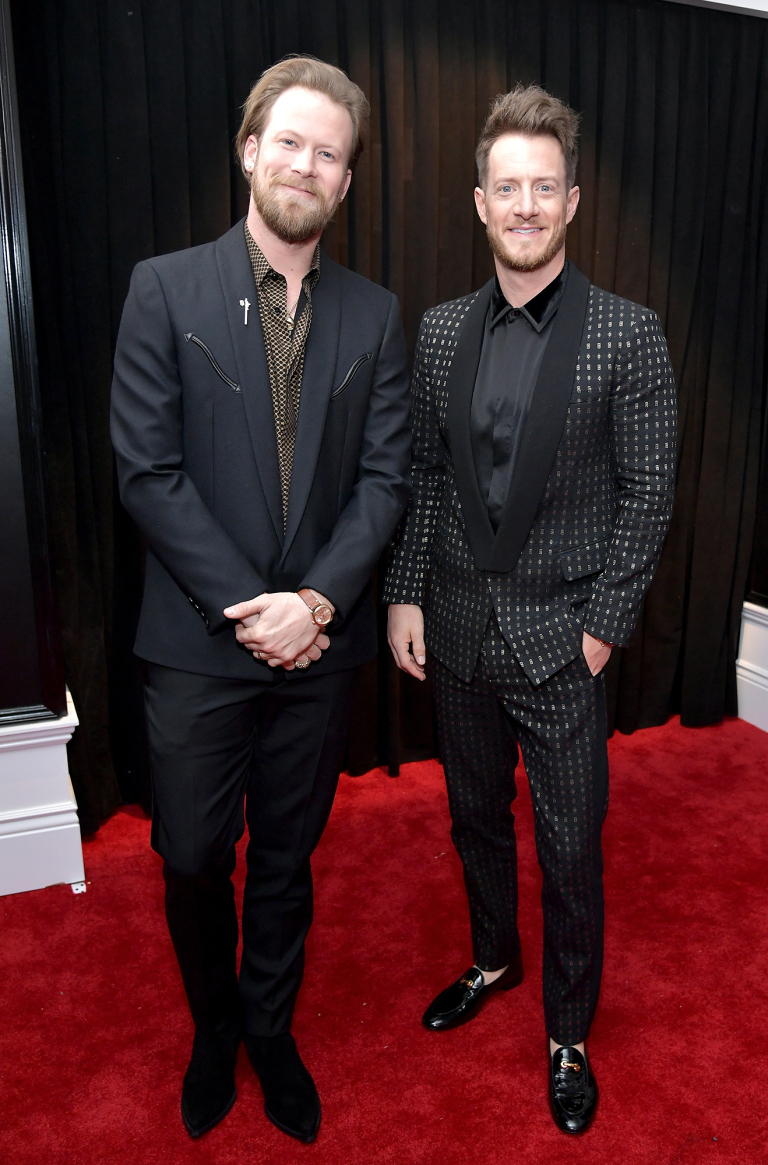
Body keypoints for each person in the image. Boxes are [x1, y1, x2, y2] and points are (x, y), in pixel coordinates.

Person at [111, 57, 410, 1144]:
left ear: (344, 182)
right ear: (250, 149)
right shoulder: (165, 287)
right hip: (199, 646)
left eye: (329, 154)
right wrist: (259, 607)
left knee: (287, 856)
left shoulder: (375, 315)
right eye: (290, 141)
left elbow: (387, 479)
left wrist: (319, 603)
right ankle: (214, 1024)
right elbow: (146, 471)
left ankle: (271, 1029)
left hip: (316, 656)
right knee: (192, 855)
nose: (307, 165)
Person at [385, 83, 676, 1135]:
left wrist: (603, 624)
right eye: (505, 187)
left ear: (572, 201)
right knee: (472, 819)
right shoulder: (442, 331)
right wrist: (406, 591)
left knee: (569, 844)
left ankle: (567, 1030)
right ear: (477, 202)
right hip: (454, 632)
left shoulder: (630, 335)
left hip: (564, 644)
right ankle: (492, 958)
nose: (523, 204)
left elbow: (648, 492)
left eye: (541, 188)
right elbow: (421, 471)